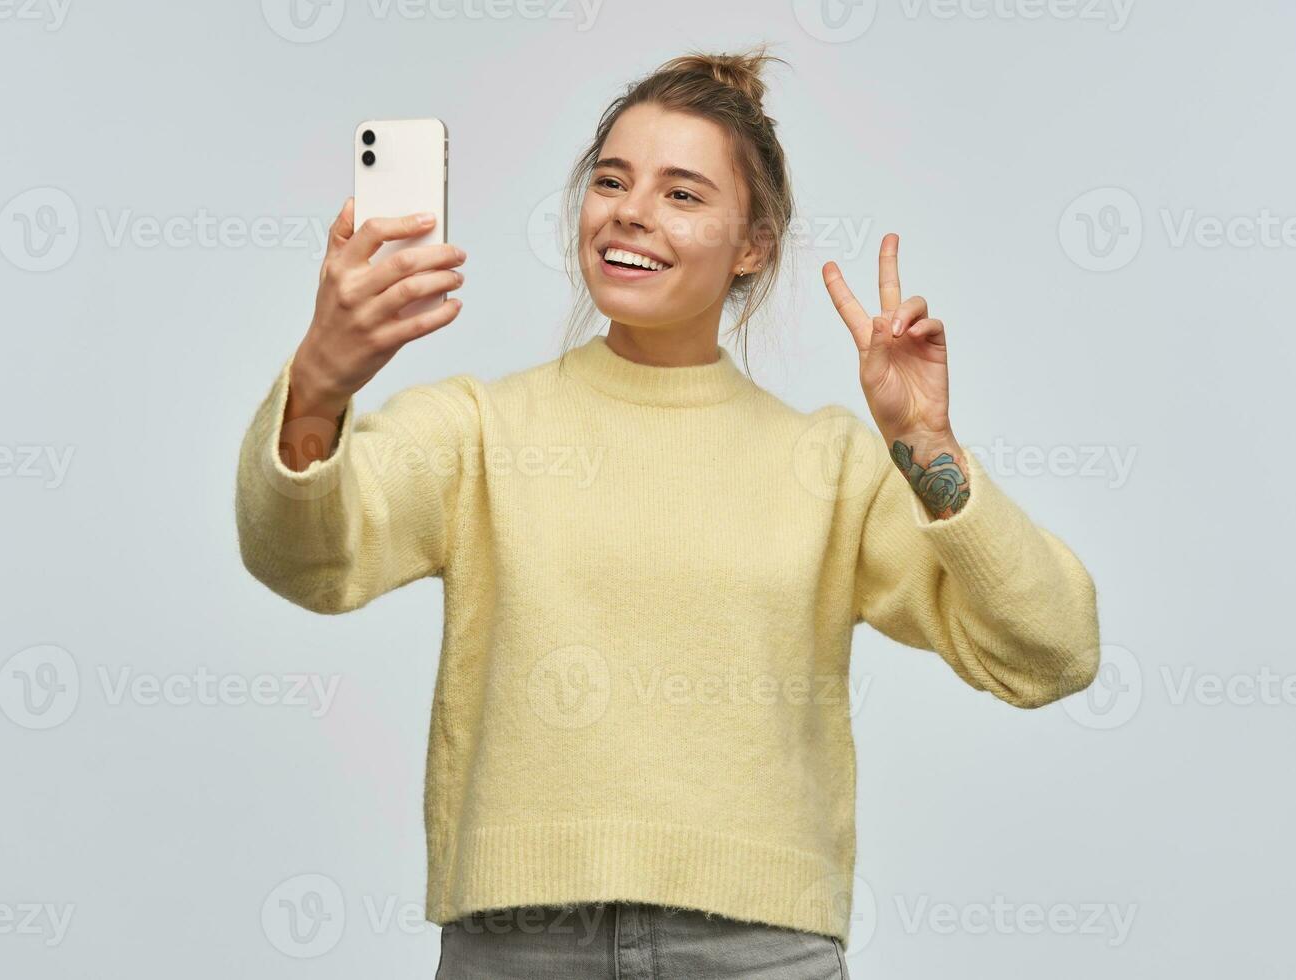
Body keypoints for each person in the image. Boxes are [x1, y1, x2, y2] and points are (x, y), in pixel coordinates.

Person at [234, 44, 1100, 980]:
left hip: (757, 948)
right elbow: (300, 560)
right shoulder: (481, 429)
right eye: (612, 180)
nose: (632, 212)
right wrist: (318, 385)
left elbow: (1052, 652)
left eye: (682, 193)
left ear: (754, 243)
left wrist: (929, 446)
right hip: (518, 949)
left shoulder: (831, 463)